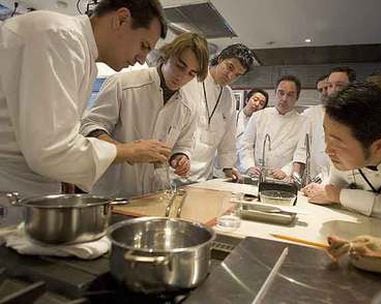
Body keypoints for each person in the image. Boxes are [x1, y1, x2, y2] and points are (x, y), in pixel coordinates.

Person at [0, 0, 168, 196]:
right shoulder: (59, 36)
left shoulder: (82, 54)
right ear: (121, 19)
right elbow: (50, 151)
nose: (142, 59)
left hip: (29, 187)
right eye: (143, 45)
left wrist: (65, 175)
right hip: (11, 191)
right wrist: (128, 152)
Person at [80, 33, 209, 197]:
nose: (182, 77)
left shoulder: (188, 106)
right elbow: (90, 126)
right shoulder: (123, 83)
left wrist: (180, 158)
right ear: (168, 55)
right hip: (113, 193)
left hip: (154, 195)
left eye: (191, 73)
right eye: (180, 66)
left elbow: (183, 145)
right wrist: (127, 151)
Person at [303, 82, 381, 223]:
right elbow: (333, 187)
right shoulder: (343, 152)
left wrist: (338, 196)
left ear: (380, 146)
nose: (327, 150)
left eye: (336, 142)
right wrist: (330, 192)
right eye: (326, 135)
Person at [183, 43, 254, 182]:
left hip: (203, 174)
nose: (230, 76)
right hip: (178, 167)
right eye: (230, 67)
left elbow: (228, 135)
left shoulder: (229, 96)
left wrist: (228, 166)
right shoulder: (191, 80)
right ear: (220, 58)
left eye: (237, 75)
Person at [293, 67, 356, 182]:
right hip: (315, 180)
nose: (332, 91)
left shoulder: (359, 116)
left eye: (339, 85)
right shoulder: (312, 114)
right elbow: (302, 149)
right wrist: (295, 175)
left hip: (346, 183)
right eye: (330, 86)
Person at [239, 75, 305, 180]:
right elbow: (246, 145)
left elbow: (301, 154)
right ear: (275, 93)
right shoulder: (259, 116)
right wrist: (249, 166)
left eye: (290, 95)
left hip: (282, 179)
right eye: (281, 93)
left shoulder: (303, 122)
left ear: (297, 97)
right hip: (256, 176)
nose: (284, 99)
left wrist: (285, 171)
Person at [235, 89, 269, 171]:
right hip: (224, 166)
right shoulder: (232, 116)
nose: (257, 104)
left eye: (261, 104)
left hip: (244, 169)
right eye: (255, 100)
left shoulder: (261, 125)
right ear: (247, 100)